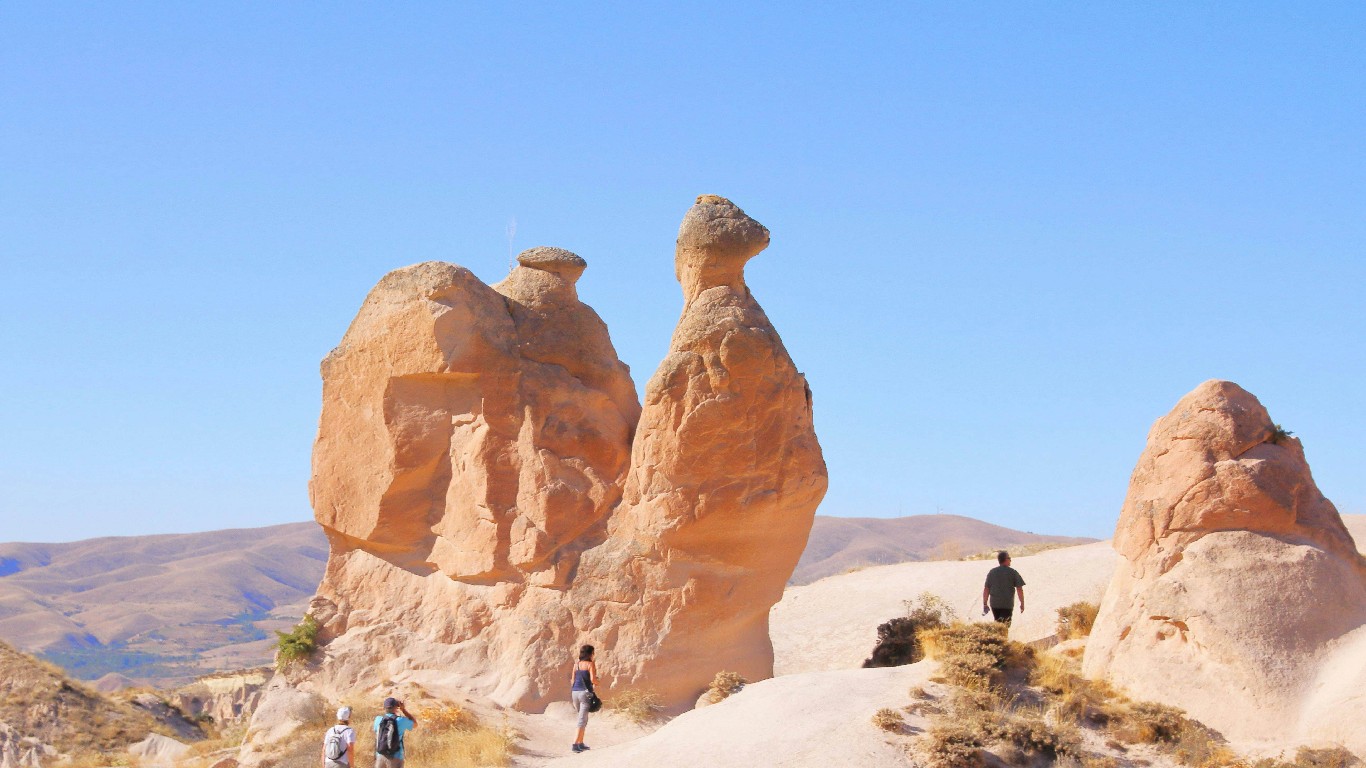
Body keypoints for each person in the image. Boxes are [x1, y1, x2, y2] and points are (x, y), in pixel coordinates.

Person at [569, 644, 599, 753]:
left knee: (583, 718)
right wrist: (597, 682)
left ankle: (580, 743)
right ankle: (575, 744)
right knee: (582, 720)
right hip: (584, 694)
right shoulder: (590, 664)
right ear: (590, 653)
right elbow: (593, 679)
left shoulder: (576, 665)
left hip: (574, 693)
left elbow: (572, 680)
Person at [982, 550, 1025, 625]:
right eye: (1009, 558)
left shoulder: (992, 572)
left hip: (994, 604)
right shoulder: (1013, 572)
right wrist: (1022, 603)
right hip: (1007, 604)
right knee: (1005, 625)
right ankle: (1002, 636)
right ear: (1005, 559)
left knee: (997, 623)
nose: (1010, 560)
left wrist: (985, 603)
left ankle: (997, 636)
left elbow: (986, 588)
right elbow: (1019, 589)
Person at [373, 697, 417, 768]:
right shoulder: (401, 720)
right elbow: (415, 724)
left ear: (384, 707)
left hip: (380, 755)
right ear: (396, 707)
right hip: (396, 756)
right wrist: (403, 710)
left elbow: (376, 731)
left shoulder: (378, 719)